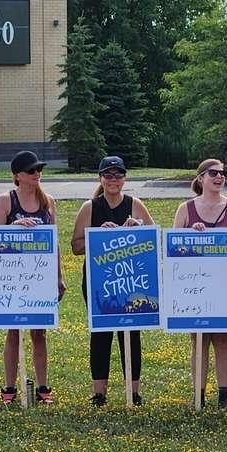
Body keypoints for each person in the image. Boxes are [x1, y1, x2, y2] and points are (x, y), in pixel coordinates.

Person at [71, 155, 154, 407]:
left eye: (118, 175)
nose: (113, 180)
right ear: (101, 178)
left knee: (131, 333)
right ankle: (99, 393)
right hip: (100, 283)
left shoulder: (135, 204)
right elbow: (76, 245)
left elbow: (152, 238)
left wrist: (136, 227)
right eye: (108, 175)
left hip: (130, 281)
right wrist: (96, 235)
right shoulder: (90, 207)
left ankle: (134, 391)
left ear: (124, 179)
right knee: (101, 333)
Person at [0, 151, 66, 406]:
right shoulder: (5, 202)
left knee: (39, 334)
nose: (37, 174)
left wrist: (59, 276)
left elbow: (55, 243)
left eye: (38, 170)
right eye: (31, 171)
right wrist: (13, 229)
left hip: (40, 278)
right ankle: (9, 387)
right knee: (13, 333)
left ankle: (44, 386)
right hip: (13, 278)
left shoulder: (48, 202)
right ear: (18, 176)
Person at [173, 158, 227, 409]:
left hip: (225, 286)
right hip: (195, 287)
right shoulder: (185, 209)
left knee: (224, 340)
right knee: (199, 340)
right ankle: (199, 395)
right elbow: (174, 249)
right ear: (201, 178)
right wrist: (188, 235)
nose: (219, 177)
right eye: (214, 173)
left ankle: (224, 397)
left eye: (223, 174)